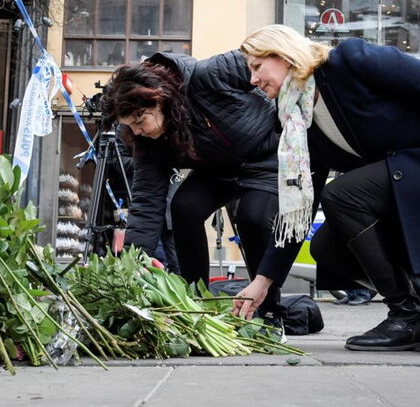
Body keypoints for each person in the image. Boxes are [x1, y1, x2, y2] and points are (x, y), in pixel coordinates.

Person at [239, 25, 420, 352]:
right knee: (326, 248)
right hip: (404, 185)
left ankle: (406, 316)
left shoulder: (349, 60)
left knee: (341, 194)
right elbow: (301, 207)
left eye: (257, 66)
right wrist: (263, 282)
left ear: (284, 55)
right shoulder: (298, 120)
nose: (253, 79)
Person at [100, 50, 299, 333]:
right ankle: (196, 303)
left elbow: (268, 62)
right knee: (184, 206)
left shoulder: (210, 75)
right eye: (130, 127)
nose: (138, 132)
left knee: (252, 216)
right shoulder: (148, 144)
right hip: (217, 169)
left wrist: (286, 125)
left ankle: (268, 311)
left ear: (158, 100)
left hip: (266, 156)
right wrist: (132, 263)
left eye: (139, 122)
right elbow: (147, 203)